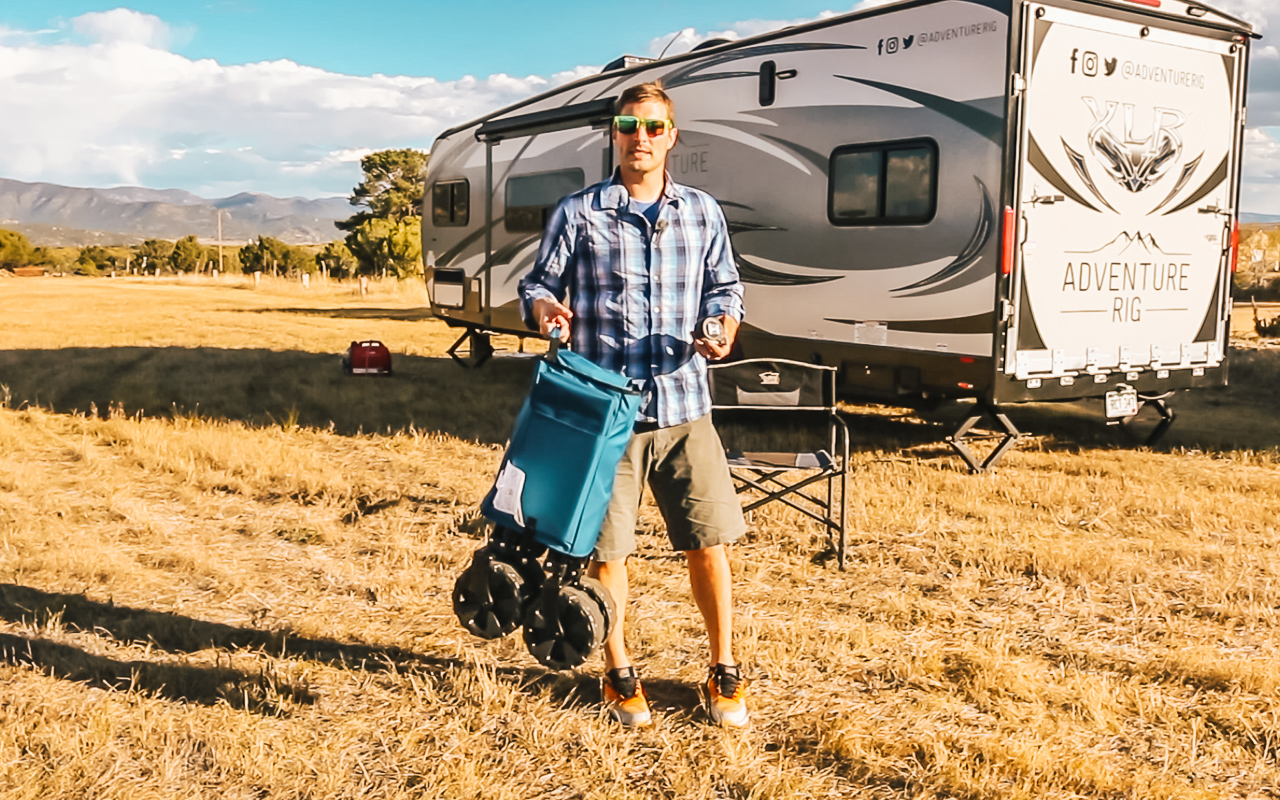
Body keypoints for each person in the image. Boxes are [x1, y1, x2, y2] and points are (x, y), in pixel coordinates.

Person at [518, 82, 749, 728]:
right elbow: (538, 283)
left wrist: (723, 324)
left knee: (708, 544)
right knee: (606, 554)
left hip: (683, 406)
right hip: (605, 417)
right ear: (613, 135)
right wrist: (544, 308)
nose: (639, 138)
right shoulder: (579, 213)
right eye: (628, 126)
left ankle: (723, 669)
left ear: (672, 136)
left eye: (652, 127)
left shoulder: (702, 212)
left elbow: (726, 288)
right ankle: (618, 671)